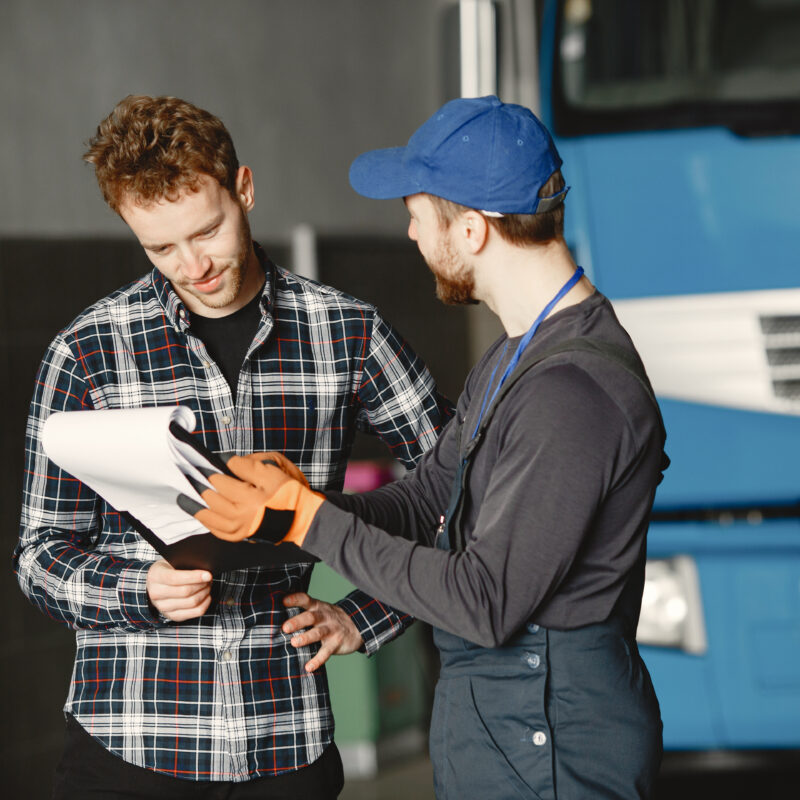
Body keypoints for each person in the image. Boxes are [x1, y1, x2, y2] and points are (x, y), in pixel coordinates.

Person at [187, 96, 669, 799]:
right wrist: (300, 501)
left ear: (472, 229)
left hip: (554, 745)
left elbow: (485, 599)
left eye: (418, 213)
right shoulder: (516, 357)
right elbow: (426, 499)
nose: (410, 234)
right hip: (507, 731)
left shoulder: (571, 394)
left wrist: (309, 523)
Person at [13, 94, 451, 799]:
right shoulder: (87, 351)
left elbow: (457, 490)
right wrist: (139, 589)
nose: (193, 265)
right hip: (126, 742)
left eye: (207, 230)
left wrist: (365, 617)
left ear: (243, 190)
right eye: (160, 247)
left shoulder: (348, 332)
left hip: (284, 742)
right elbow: (40, 556)